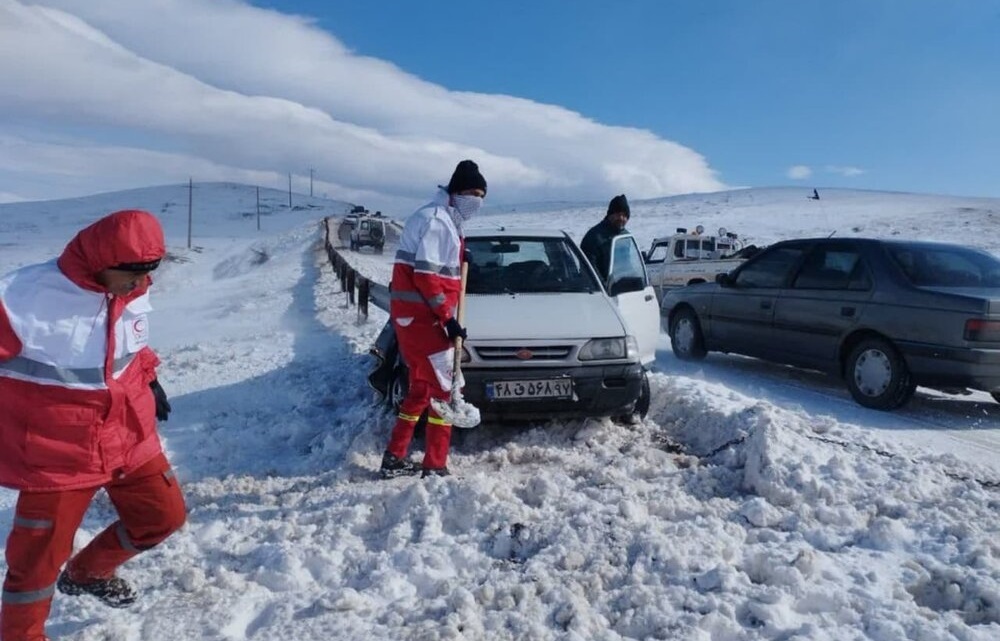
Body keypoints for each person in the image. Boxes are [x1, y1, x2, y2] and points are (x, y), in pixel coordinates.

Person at [0, 210, 187, 641]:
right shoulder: (21, 298)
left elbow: (131, 344)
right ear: (99, 260)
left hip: (128, 436)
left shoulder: (131, 286)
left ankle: (88, 573)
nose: (139, 285)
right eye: (131, 274)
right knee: (35, 567)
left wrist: (151, 377)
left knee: (162, 517)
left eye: (148, 274)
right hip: (57, 455)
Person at [379, 160, 487, 479]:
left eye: (482, 195)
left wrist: (460, 254)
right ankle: (435, 464)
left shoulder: (443, 219)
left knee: (421, 391)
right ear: (455, 192)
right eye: (472, 193)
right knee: (445, 391)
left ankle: (395, 457)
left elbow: (437, 267)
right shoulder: (437, 220)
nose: (477, 200)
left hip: (416, 320)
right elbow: (426, 277)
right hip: (424, 320)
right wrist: (446, 318)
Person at [581, 194, 630, 281]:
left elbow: (628, 265)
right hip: (603, 290)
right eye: (618, 214)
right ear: (610, 215)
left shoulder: (626, 236)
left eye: (625, 215)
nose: (621, 218)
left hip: (623, 287)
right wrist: (604, 287)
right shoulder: (594, 236)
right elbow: (589, 269)